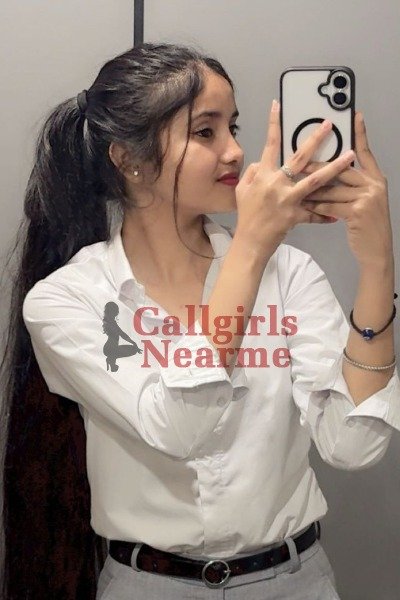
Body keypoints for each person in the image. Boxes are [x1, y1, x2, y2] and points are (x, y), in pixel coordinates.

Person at [1, 42, 399, 600]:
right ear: (129, 159)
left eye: (232, 127)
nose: (235, 151)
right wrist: (253, 244)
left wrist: (378, 264)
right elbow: (179, 427)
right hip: (147, 586)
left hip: (297, 583)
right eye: (205, 132)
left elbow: (352, 446)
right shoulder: (69, 299)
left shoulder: (289, 274)